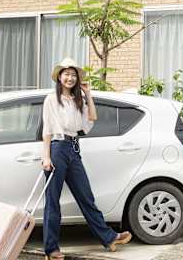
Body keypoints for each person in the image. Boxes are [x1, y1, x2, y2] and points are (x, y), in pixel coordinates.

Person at [41, 57, 131, 260]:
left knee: (86, 197)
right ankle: (51, 250)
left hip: (74, 148)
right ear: (59, 77)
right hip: (57, 148)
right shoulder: (51, 99)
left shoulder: (78, 100)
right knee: (53, 201)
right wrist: (46, 156)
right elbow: (47, 129)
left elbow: (91, 120)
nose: (70, 78)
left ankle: (109, 238)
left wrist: (88, 94)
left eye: (73, 75)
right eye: (66, 74)